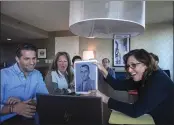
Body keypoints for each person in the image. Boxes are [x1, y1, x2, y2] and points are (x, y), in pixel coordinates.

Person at [91, 49, 174, 125]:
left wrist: (104, 98)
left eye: (133, 65)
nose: (129, 70)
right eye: (128, 66)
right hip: (152, 116)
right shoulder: (144, 76)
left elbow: (135, 111)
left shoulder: (158, 79)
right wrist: (102, 69)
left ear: (146, 64)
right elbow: (117, 85)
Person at [0, 43, 48, 124]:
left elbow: (44, 98)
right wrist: (14, 108)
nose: (32, 62)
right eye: (27, 59)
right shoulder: (3, 75)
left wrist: (23, 102)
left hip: (31, 118)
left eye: (34, 58)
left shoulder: (37, 74)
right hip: (7, 120)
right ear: (17, 59)